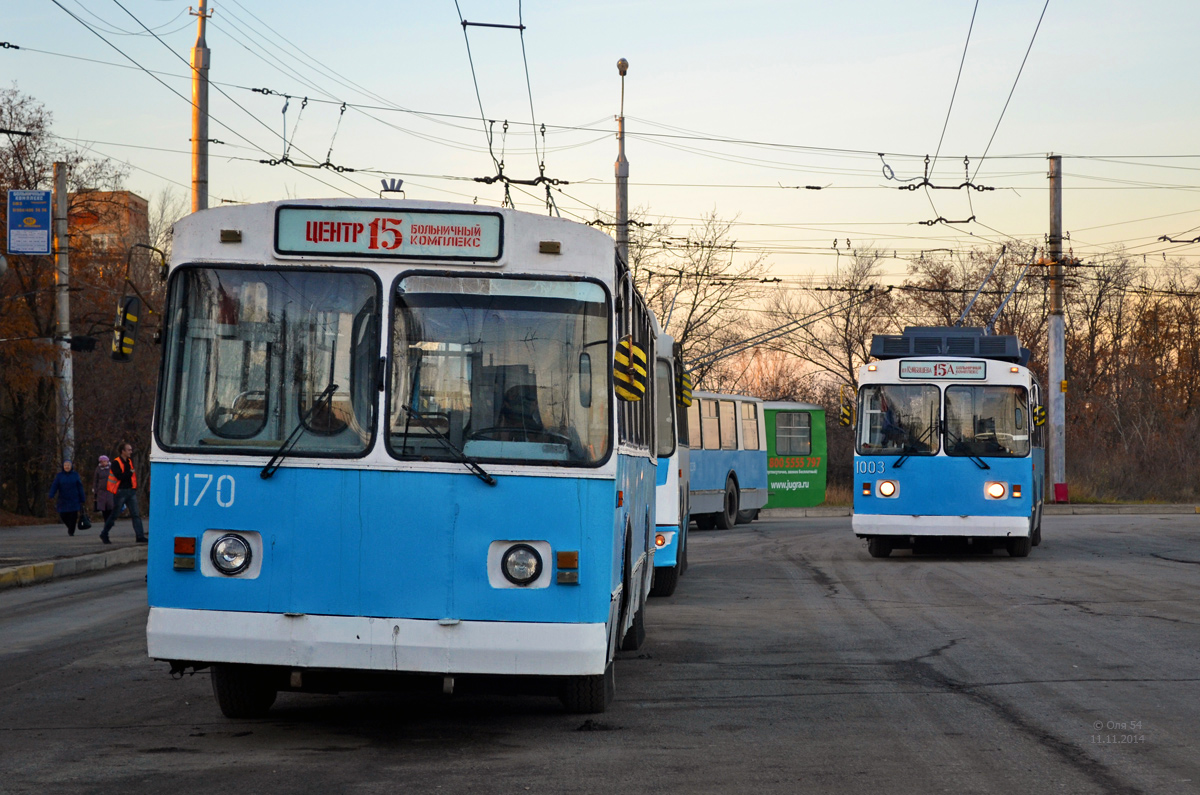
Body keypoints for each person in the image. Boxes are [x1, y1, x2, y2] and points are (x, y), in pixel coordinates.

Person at [100, 442, 147, 544]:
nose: (131, 451)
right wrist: (129, 473)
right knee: (115, 514)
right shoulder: (116, 462)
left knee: (136, 514)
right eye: (129, 450)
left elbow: (130, 476)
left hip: (131, 491)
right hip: (120, 492)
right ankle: (104, 533)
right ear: (123, 451)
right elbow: (119, 476)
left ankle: (140, 536)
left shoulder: (129, 461)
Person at [48, 460, 87, 536]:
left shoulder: (75, 475)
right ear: (63, 467)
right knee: (63, 514)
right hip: (63, 499)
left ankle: (71, 531)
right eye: (65, 465)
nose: (67, 467)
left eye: (68, 465)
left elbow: (80, 487)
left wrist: (82, 498)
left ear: (71, 466)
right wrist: (51, 494)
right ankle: (70, 527)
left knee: (73, 515)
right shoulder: (59, 476)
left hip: (74, 498)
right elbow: (55, 485)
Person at [93, 455, 115, 525]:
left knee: (111, 506)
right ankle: (106, 521)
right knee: (103, 507)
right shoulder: (98, 469)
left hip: (110, 490)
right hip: (101, 491)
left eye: (104, 461)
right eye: (101, 462)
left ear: (107, 461)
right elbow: (95, 480)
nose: (103, 463)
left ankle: (111, 520)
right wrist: (95, 489)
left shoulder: (112, 468)